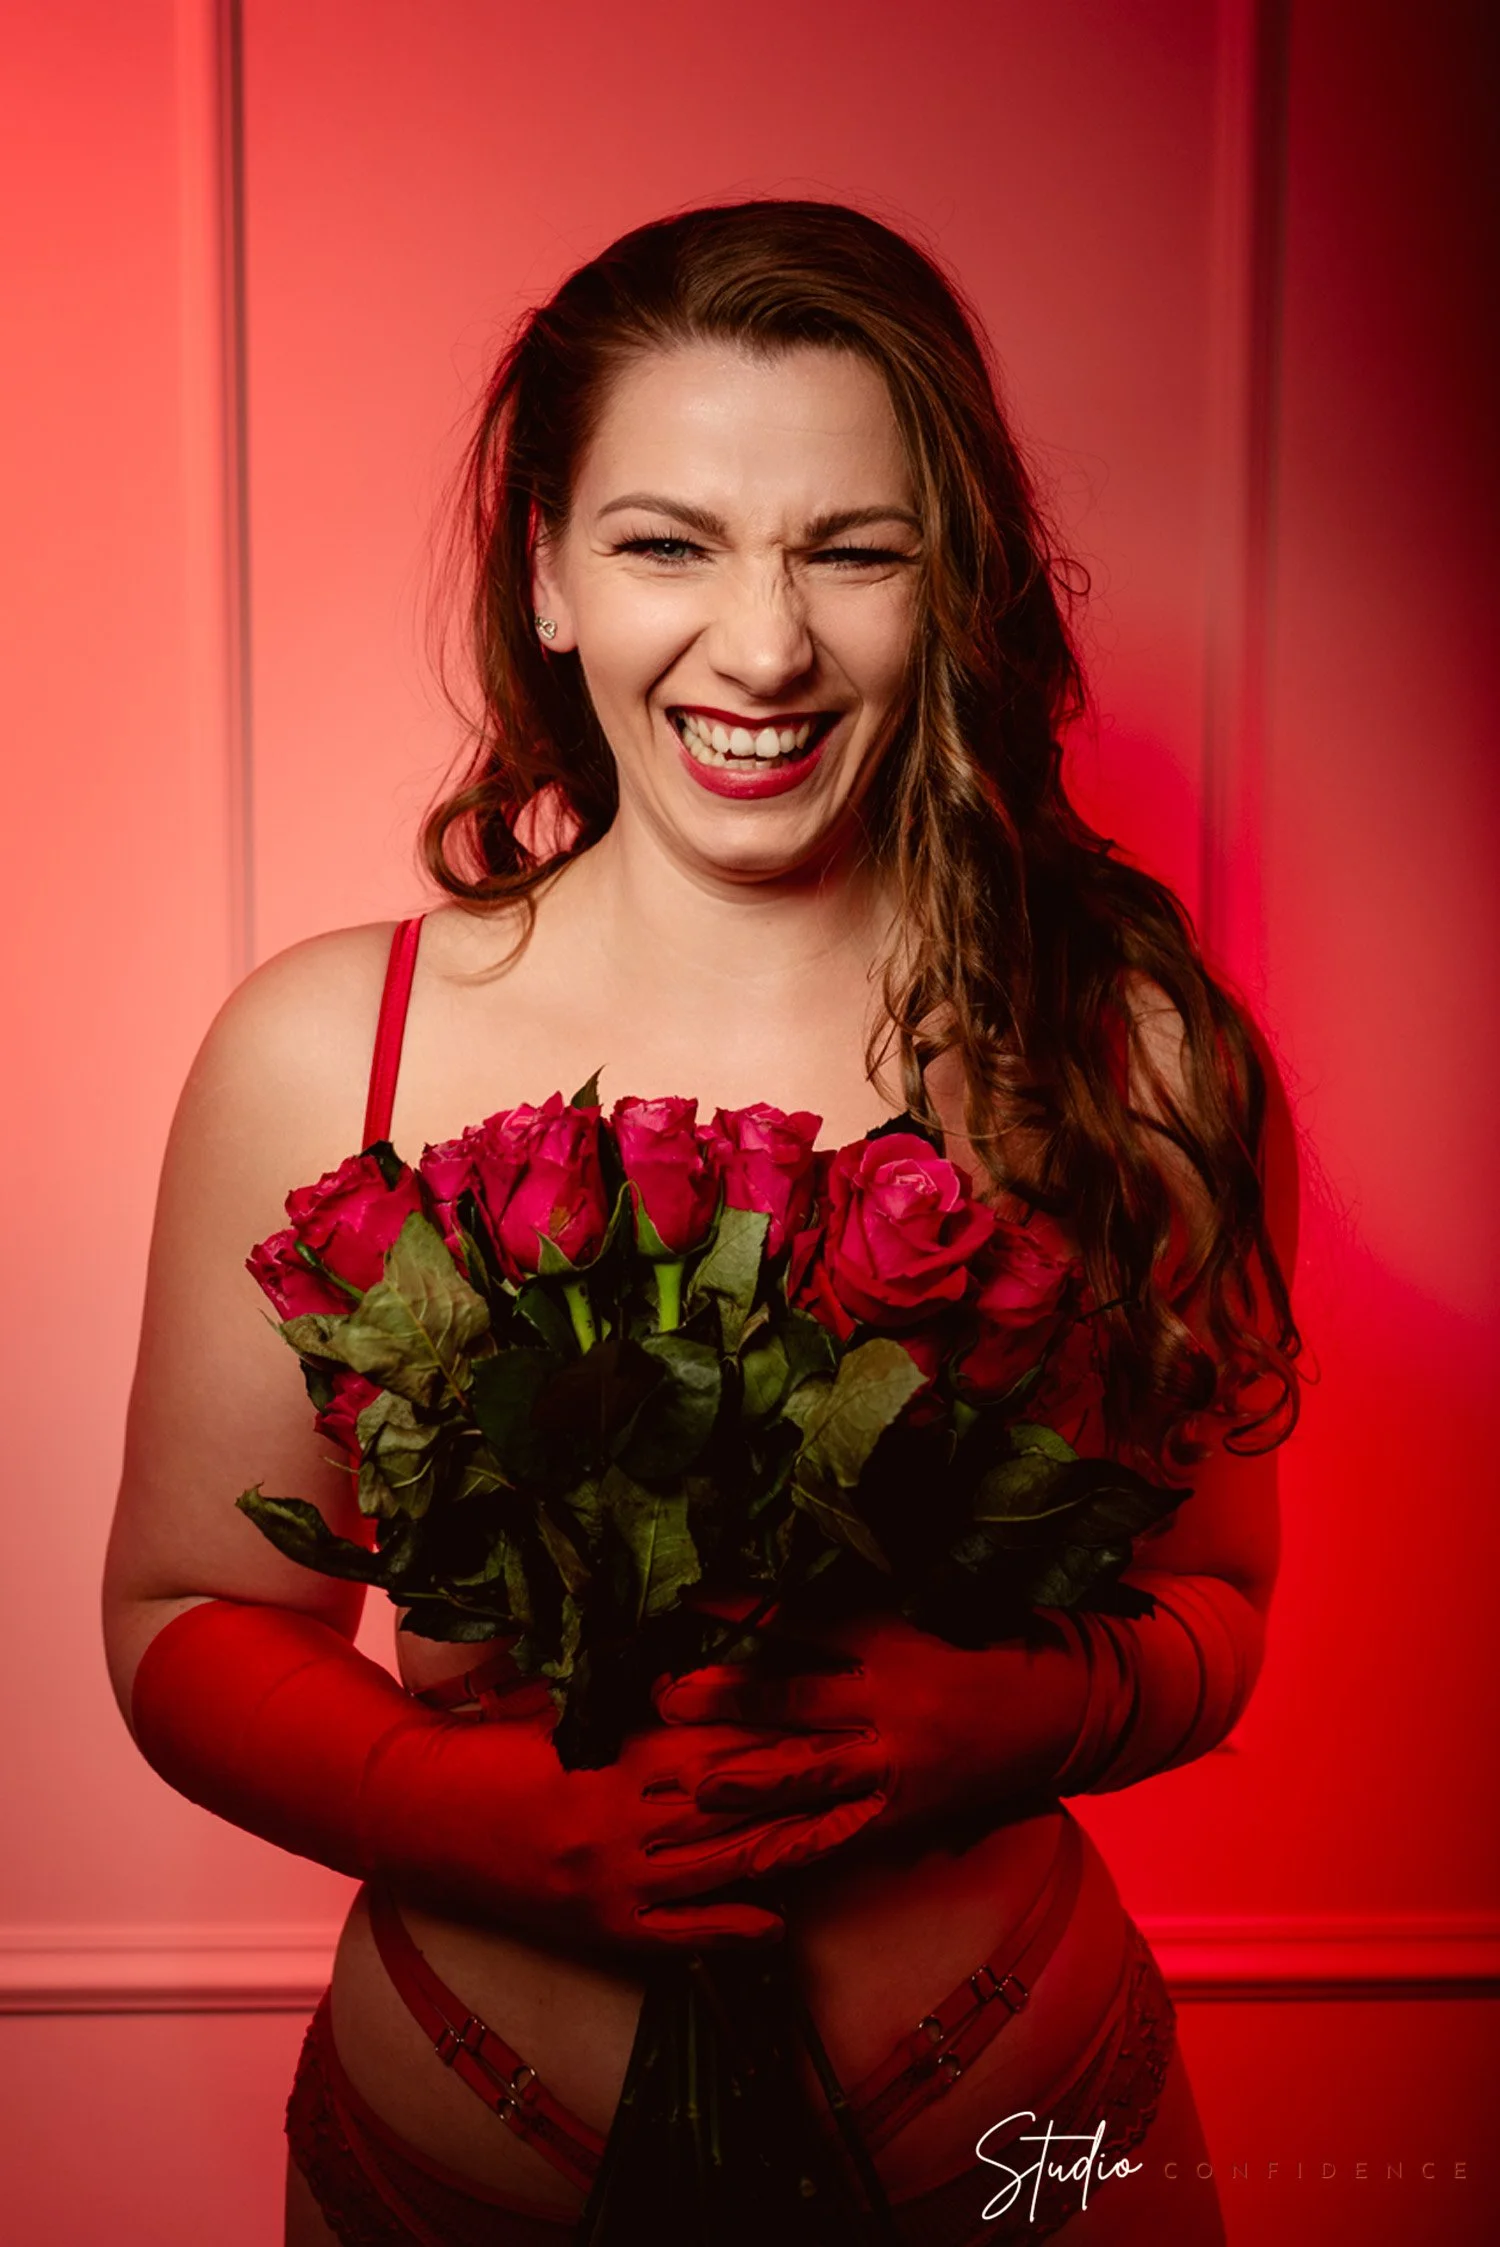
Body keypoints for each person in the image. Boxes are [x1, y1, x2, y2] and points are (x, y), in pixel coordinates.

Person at [102, 200, 1300, 2246]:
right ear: (548, 571)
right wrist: (477, 1814)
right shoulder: (324, 1050)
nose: (762, 647)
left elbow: (1221, 1603)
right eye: (670, 544)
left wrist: (1005, 1713)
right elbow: (184, 1618)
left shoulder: (1133, 1050)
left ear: (960, 580)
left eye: (856, 550)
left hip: (1031, 2157)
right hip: (448, 2169)